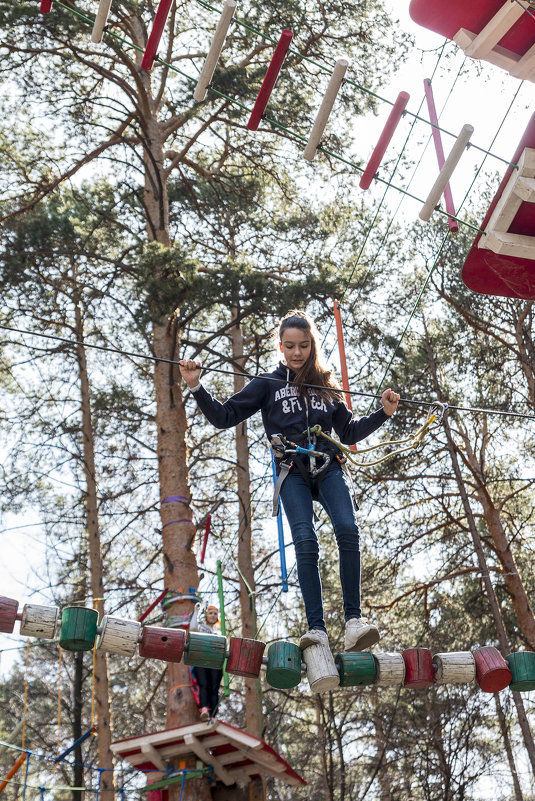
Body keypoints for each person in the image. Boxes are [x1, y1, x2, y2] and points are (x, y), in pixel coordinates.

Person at [179, 310, 399, 652]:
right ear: (280, 347)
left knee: (347, 528)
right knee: (305, 538)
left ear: (312, 346)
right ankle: (317, 628)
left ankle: (354, 622)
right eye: (290, 346)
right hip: (292, 471)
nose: (297, 353)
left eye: (304, 346)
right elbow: (224, 417)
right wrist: (196, 385)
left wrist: (383, 413)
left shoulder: (326, 385)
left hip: (328, 466)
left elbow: (350, 431)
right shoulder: (268, 384)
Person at [193, 605, 223, 721]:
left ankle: (213, 715)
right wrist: (196, 612)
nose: (213, 615)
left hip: (214, 662)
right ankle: (204, 709)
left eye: (215, 614)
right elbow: (193, 627)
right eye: (210, 613)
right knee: (204, 684)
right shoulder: (201, 628)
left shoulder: (218, 632)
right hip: (201, 660)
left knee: (214, 688)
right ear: (206, 615)